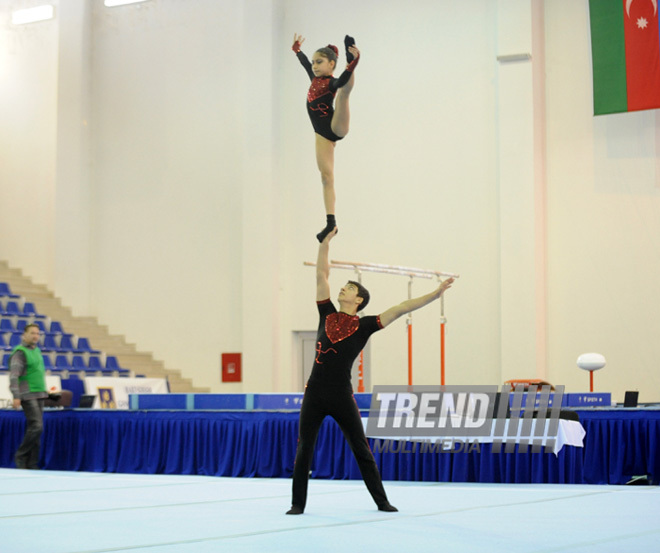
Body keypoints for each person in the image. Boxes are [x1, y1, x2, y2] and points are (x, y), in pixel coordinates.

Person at [286, 228, 454, 514]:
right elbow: (321, 275)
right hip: (314, 391)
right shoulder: (326, 313)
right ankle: (297, 504)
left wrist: (435, 294)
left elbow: (402, 307)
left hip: (341, 395)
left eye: (349, 288)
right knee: (304, 450)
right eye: (344, 287)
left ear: (359, 300)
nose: (342, 289)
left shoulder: (365, 326)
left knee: (361, 449)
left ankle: (382, 501)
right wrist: (324, 243)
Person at [292, 33, 360, 242]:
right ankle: (331, 222)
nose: (314, 65)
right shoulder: (314, 79)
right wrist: (297, 50)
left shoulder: (330, 82)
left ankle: (350, 59)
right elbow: (304, 62)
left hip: (336, 125)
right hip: (322, 133)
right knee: (326, 177)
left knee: (343, 92)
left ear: (331, 64)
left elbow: (342, 80)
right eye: (313, 62)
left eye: (319, 62)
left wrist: (352, 65)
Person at [9, 323, 50, 469]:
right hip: (28, 394)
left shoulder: (37, 351)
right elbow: (14, 376)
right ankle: (20, 455)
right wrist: (16, 395)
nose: (35, 336)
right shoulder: (20, 352)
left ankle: (32, 463)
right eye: (32, 333)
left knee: (35, 428)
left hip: (39, 393)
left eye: (38, 334)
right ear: (24, 335)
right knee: (37, 427)